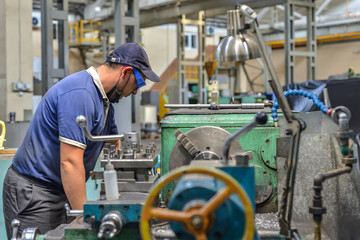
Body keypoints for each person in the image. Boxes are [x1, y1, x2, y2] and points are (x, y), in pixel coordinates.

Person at [3, 42, 160, 238]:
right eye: (139, 82)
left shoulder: (104, 99)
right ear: (126, 72)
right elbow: (69, 163)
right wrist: (82, 215)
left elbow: (113, 139)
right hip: (36, 192)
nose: (136, 91)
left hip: (59, 190)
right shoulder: (80, 94)